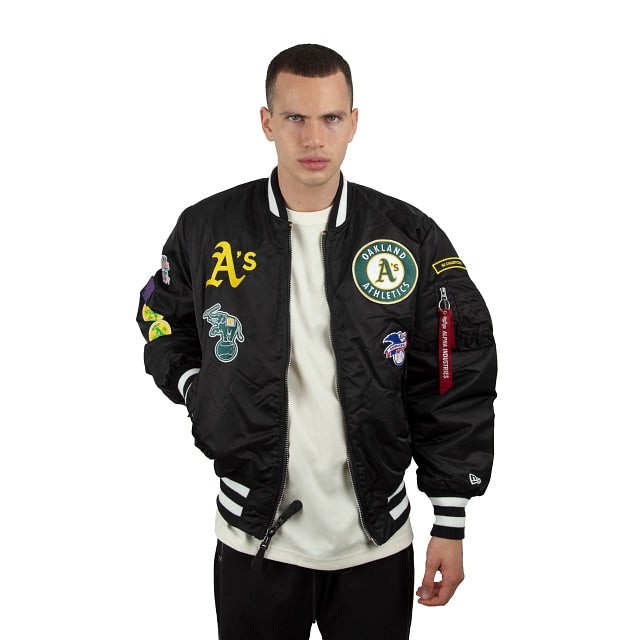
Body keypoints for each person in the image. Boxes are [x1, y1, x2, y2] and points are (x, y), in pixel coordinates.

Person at [137, 43, 497, 640]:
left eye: (330, 118)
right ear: (266, 122)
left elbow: (451, 372)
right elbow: (159, 316)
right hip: (252, 535)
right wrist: (198, 387)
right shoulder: (207, 228)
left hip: (376, 538)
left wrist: (450, 520)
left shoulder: (408, 235)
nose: (313, 138)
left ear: (354, 122)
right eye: (295, 118)